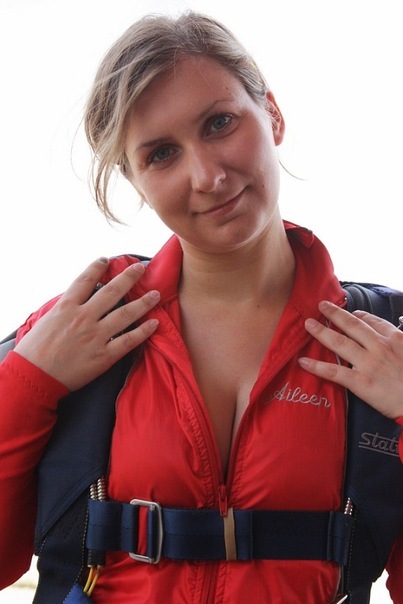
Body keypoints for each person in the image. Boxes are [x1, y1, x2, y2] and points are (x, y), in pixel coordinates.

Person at [0, 10, 402, 603]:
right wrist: (27, 385)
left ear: (273, 114)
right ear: (134, 179)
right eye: (162, 153)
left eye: (219, 123)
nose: (208, 176)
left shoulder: (388, 340)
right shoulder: (73, 326)